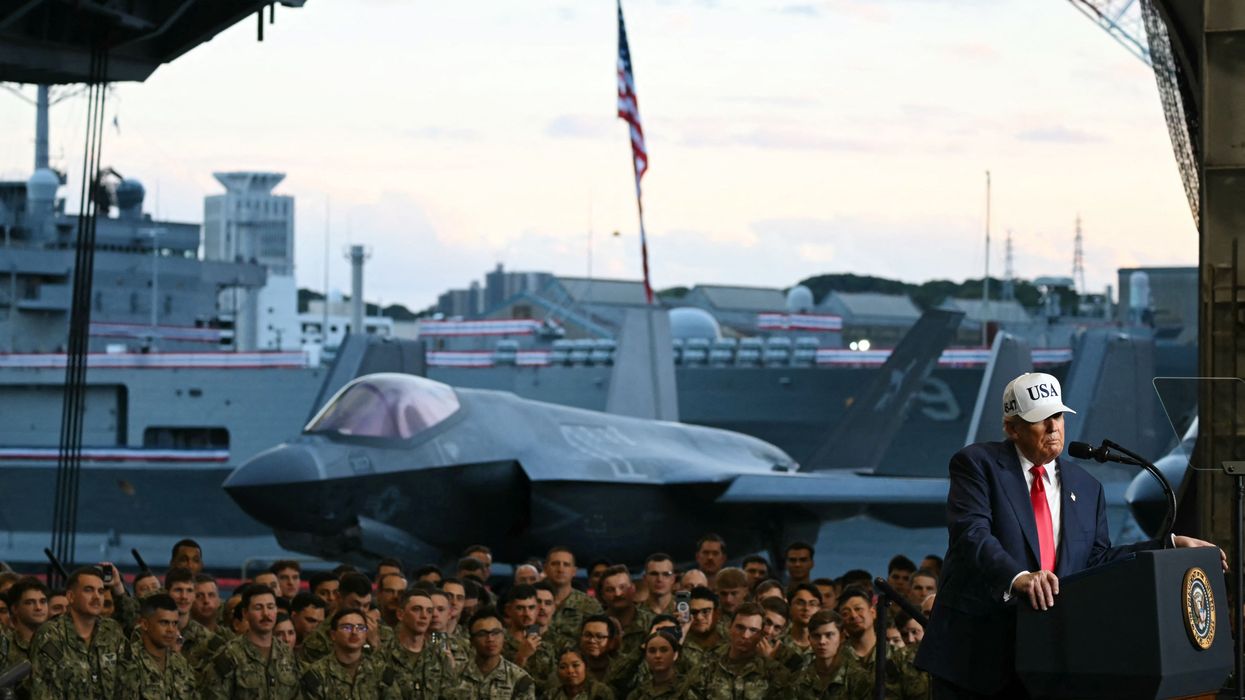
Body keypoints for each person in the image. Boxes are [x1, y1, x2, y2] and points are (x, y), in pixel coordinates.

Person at [916, 371, 1224, 699]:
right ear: (1012, 428)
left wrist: (1169, 545)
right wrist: (1018, 577)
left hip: (1048, 660)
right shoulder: (977, 464)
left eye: (1058, 415)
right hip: (976, 659)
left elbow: (1098, 559)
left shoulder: (1087, 488)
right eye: (1040, 419)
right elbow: (971, 535)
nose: (1053, 427)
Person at [29, 566, 127, 699]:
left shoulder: (112, 631)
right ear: (70, 596)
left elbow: (126, 684)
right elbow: (44, 690)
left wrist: (118, 586)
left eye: (100, 591)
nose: (96, 597)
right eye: (88, 590)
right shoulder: (51, 634)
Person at [199, 583, 301, 699]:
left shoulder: (287, 654)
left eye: (270, 607)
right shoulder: (229, 656)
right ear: (245, 613)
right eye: (258, 608)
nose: (266, 614)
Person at [690, 602, 782, 699]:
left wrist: (771, 663)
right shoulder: (709, 661)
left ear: (761, 634)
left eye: (753, 630)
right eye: (740, 627)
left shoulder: (769, 667)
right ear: (730, 627)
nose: (745, 636)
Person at [299, 607, 396, 699]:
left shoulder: (380, 670)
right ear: (333, 635)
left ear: (366, 634)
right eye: (347, 627)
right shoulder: (316, 674)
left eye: (360, 628)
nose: (354, 632)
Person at [116, 593, 197, 699]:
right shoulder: (127, 662)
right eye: (164, 623)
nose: (171, 630)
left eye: (174, 623)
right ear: (145, 624)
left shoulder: (180, 663)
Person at [449, 607, 536, 699]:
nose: (490, 639)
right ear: (472, 641)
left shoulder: (520, 679)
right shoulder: (455, 674)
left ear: (504, 636)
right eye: (482, 634)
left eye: (496, 633)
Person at [789, 610, 850, 699]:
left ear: (841, 637)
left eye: (829, 635)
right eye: (816, 636)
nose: (822, 642)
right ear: (809, 639)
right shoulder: (798, 679)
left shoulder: (856, 678)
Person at [625, 630, 687, 700]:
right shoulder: (638, 693)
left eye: (664, 650)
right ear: (646, 656)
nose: (657, 656)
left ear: (675, 655)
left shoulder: (686, 688)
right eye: (652, 651)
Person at [549, 647, 615, 699]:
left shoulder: (600, 693)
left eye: (575, 665)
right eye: (563, 667)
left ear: (585, 666)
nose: (570, 671)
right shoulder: (551, 695)